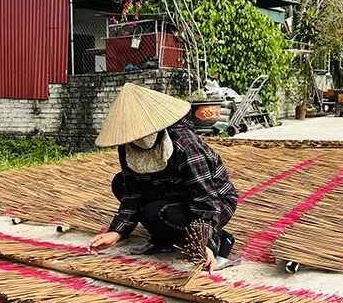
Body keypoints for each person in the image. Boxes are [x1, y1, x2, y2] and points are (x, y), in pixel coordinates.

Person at [87, 83, 238, 273]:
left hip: (214, 201)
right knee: (120, 184)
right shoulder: (127, 147)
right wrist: (116, 232)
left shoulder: (185, 145)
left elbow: (205, 199)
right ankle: (164, 239)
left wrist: (205, 241)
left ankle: (221, 238)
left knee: (155, 213)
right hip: (171, 192)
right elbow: (132, 193)